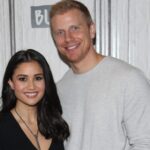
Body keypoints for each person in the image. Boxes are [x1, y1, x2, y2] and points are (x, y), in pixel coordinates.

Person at [49, 0, 150, 150]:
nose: (68, 38)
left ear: (92, 30)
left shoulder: (129, 79)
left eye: (75, 28)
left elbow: (145, 143)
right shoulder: (59, 89)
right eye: (60, 32)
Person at [0, 49, 69, 150]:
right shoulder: (2, 126)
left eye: (38, 78)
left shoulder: (54, 123)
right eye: (23, 79)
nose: (31, 86)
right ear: (11, 83)